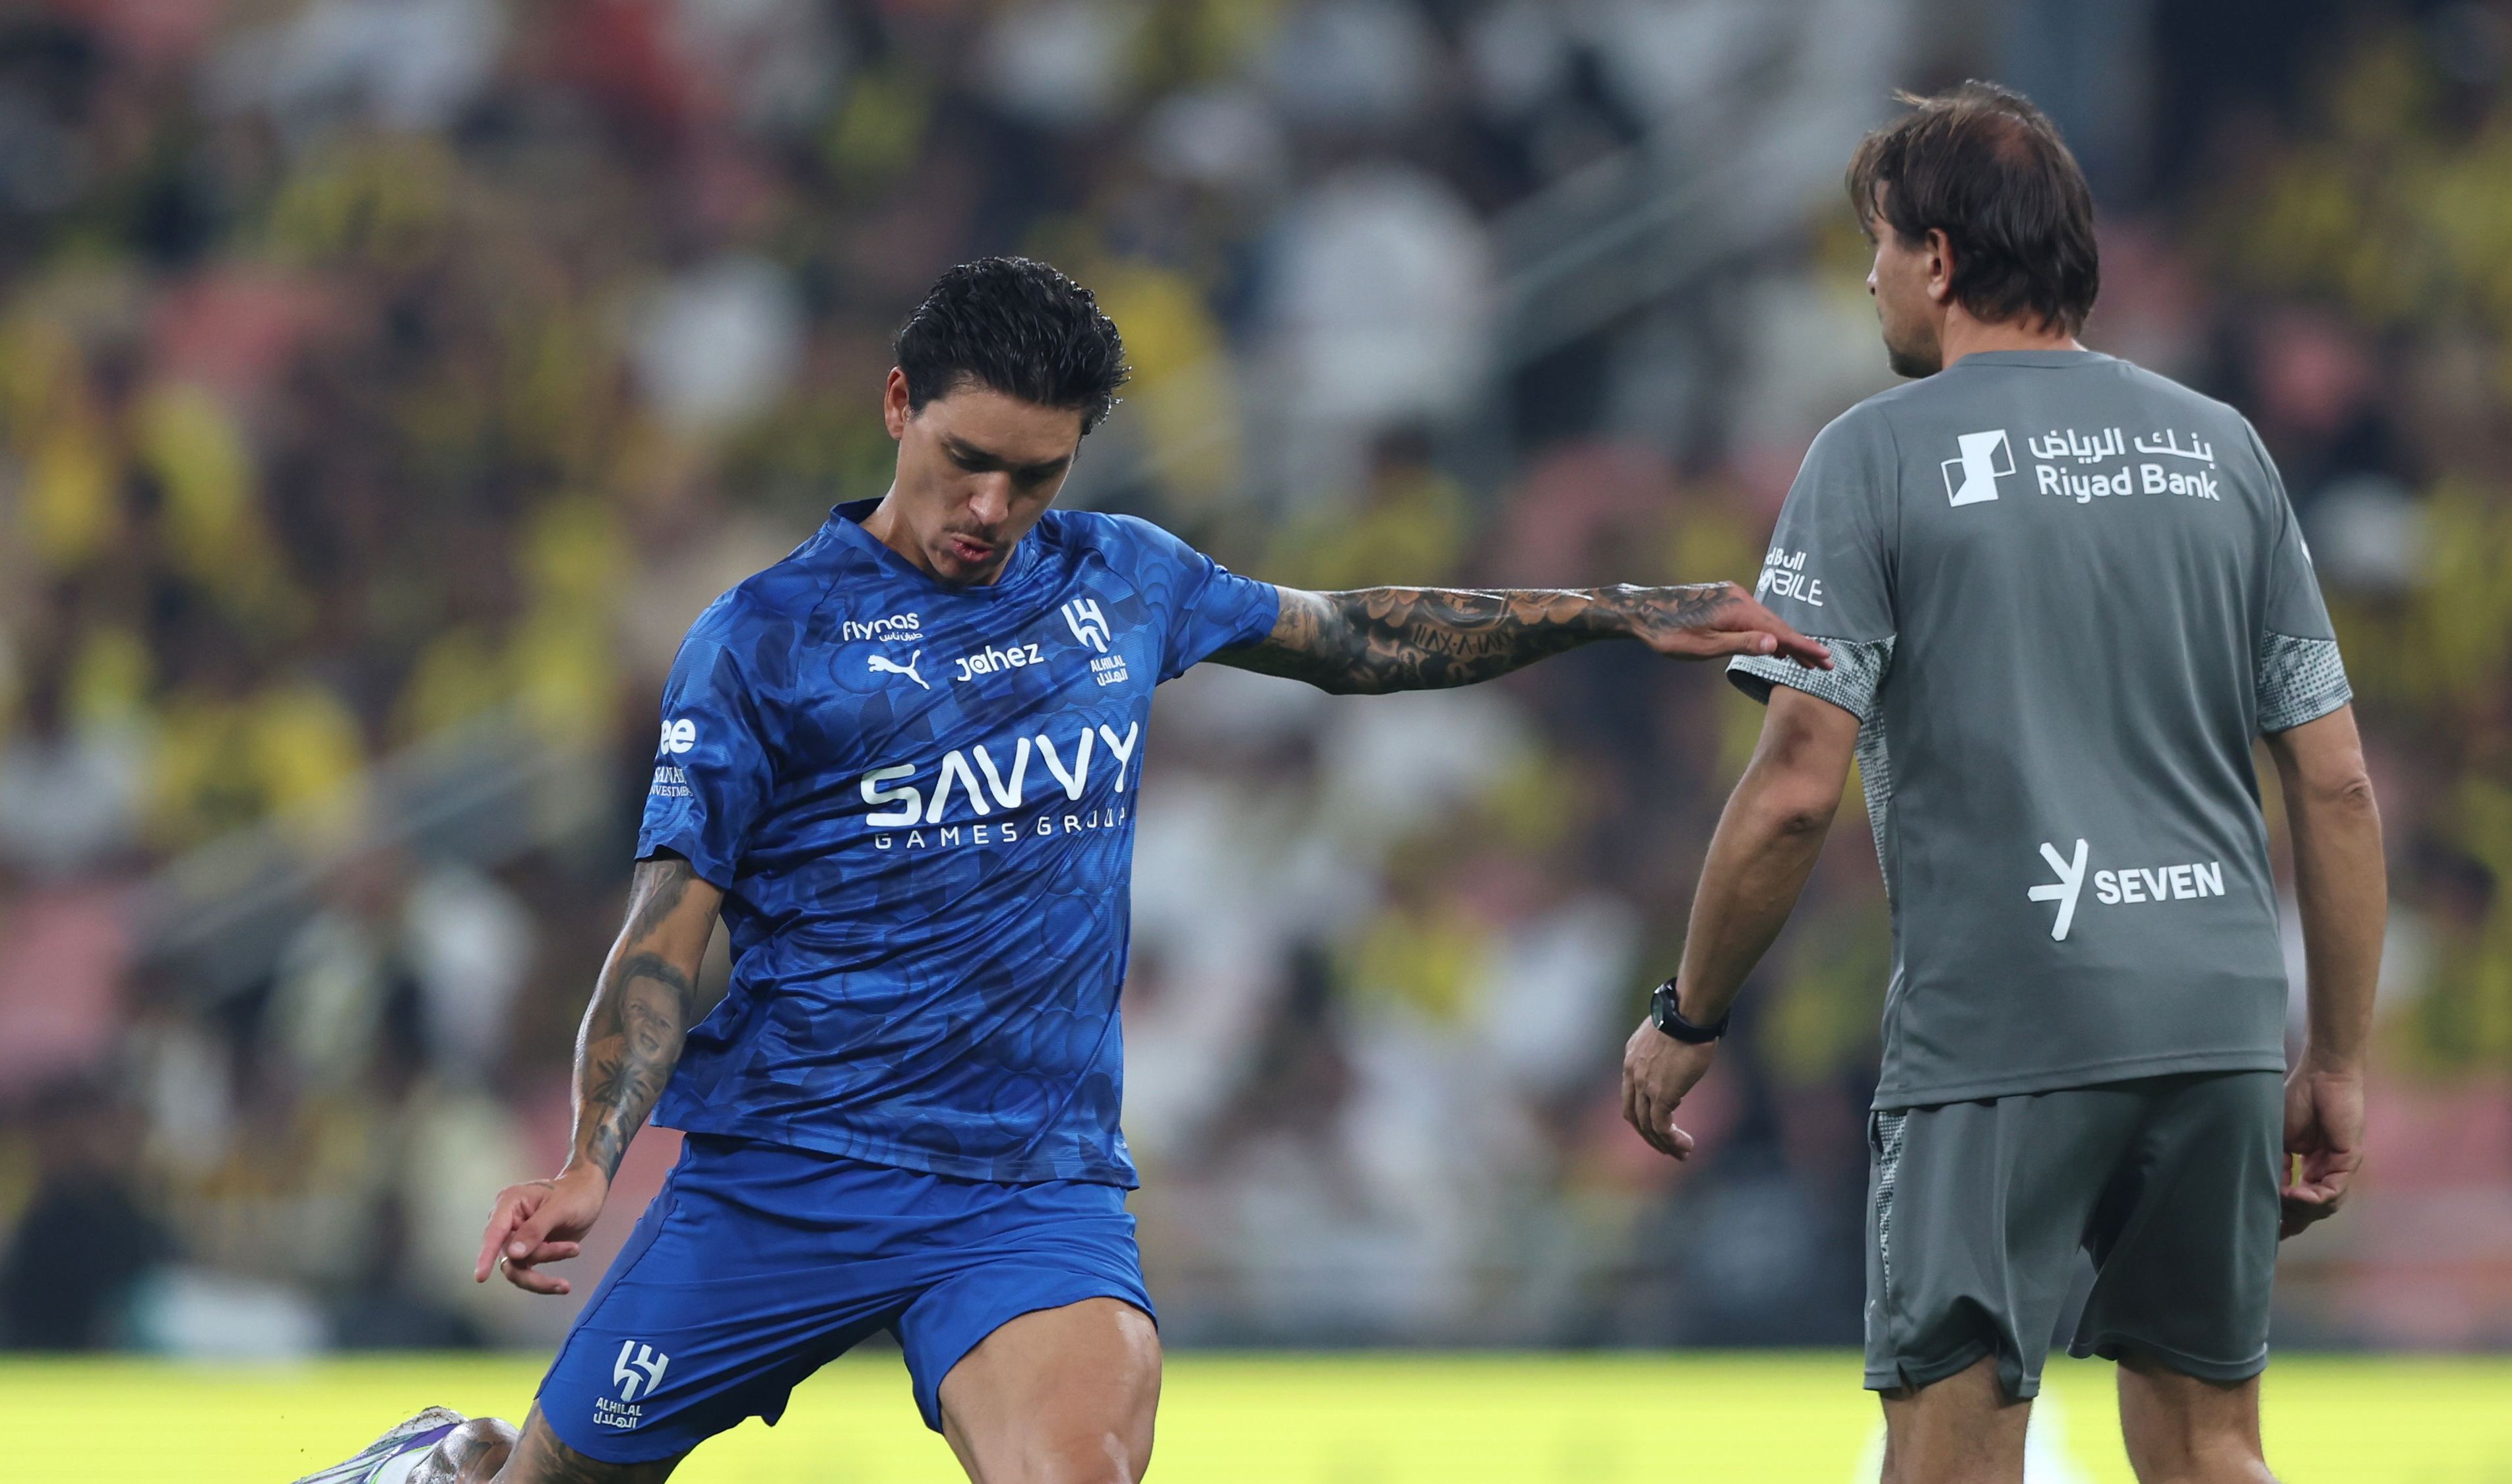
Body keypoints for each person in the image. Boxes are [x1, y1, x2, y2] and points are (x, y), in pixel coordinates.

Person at [295, 255, 1829, 1484]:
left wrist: (1610, 610)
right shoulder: (763, 641)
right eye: (965, 462)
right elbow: (666, 922)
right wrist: (592, 1153)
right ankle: (452, 1460)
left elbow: (1354, 635)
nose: (990, 512)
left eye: (1031, 478)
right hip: (788, 1178)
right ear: (895, 405)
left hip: (1024, 1189)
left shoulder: (1120, 580)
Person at [1615, 84, 2385, 1484]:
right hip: (2216, 1019)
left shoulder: (1870, 456)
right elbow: (2332, 788)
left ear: (1941, 258)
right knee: (2212, 1448)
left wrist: (1689, 1013)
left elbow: (1794, 788)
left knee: (1951, 1456)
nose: (1865, 276)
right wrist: (2329, 1055)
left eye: (1878, 243)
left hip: (2002, 1031)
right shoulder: (2221, 449)